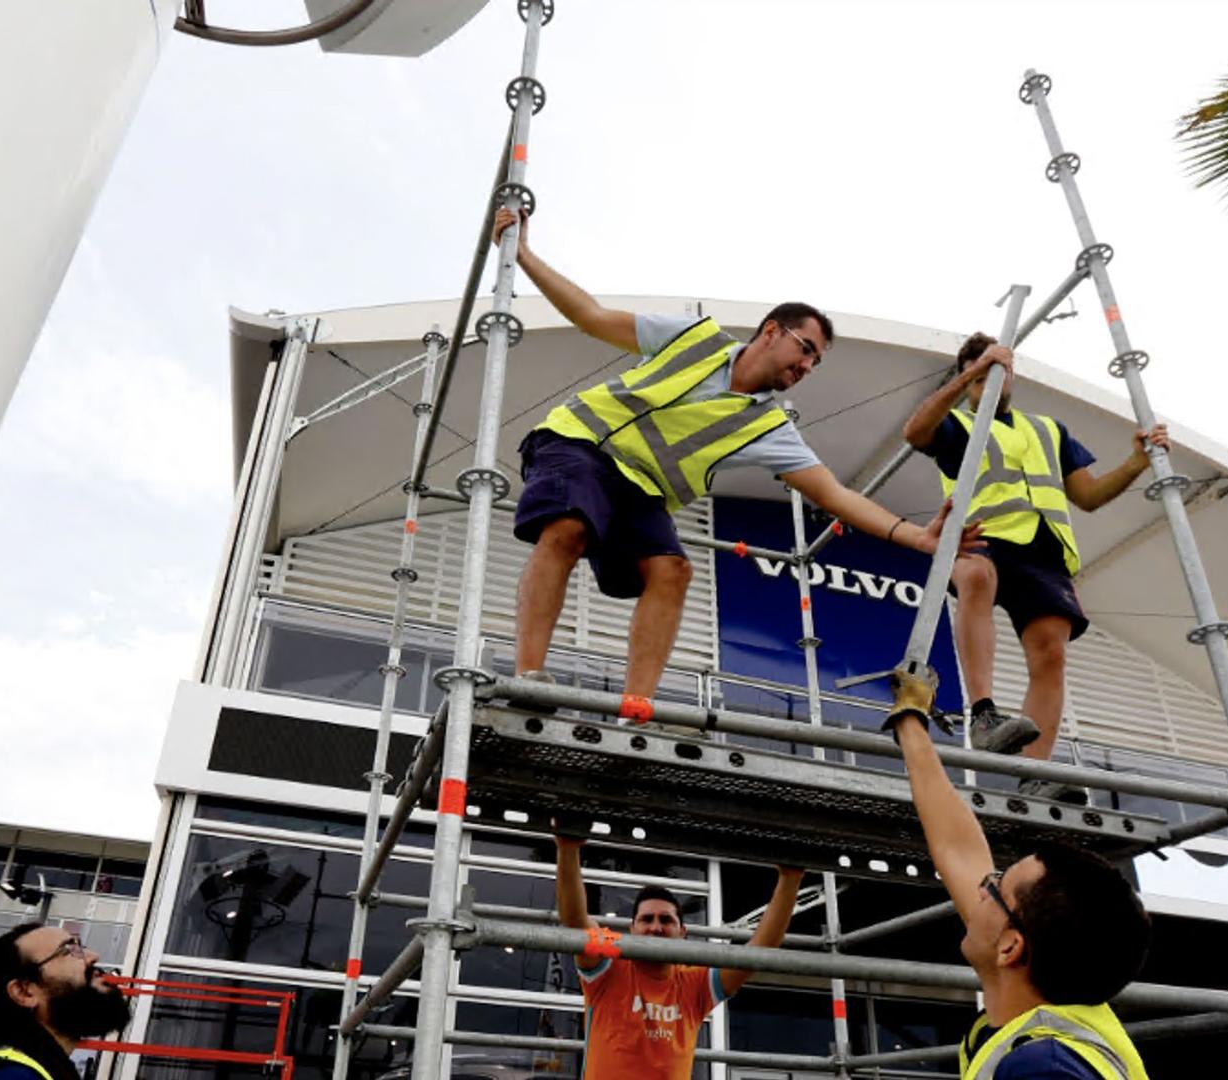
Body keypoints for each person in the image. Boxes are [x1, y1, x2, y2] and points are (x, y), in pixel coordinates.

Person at [495, 207, 981, 710]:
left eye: (816, 361)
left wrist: (917, 537)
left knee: (672, 570)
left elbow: (835, 494)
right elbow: (591, 317)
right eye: (805, 348)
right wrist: (524, 254)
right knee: (568, 530)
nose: (808, 366)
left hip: (641, 490)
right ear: (770, 331)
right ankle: (530, 675)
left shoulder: (769, 427)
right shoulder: (694, 339)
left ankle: (637, 710)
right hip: (581, 442)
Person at [901, 334, 1169, 802]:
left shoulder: (1048, 429)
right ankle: (983, 712)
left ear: (1012, 375)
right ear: (967, 380)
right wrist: (971, 372)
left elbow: (1089, 496)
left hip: (1044, 550)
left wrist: (1138, 462)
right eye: (977, 374)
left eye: (995, 371)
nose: (987, 381)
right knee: (976, 577)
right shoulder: (959, 425)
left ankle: (1036, 773)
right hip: (982, 536)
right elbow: (915, 432)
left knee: (1051, 652)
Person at [886, 666, 1153, 1080]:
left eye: (995, 887)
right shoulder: (1066, 1013)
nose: (980, 886)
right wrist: (911, 721)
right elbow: (959, 848)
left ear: (1010, 948)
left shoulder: (1043, 1067)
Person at [555, 829, 803, 1078]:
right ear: (632, 929)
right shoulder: (608, 967)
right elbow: (576, 922)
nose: (655, 927)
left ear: (682, 932)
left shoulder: (694, 984)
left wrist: (790, 878)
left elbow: (758, 952)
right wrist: (568, 848)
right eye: (646, 919)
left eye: (666, 920)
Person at [0, 924, 131, 1080]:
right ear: (24, 992)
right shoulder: (11, 1077)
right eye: (68, 950)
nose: (93, 956)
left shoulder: (35, 1070)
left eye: (80, 947)